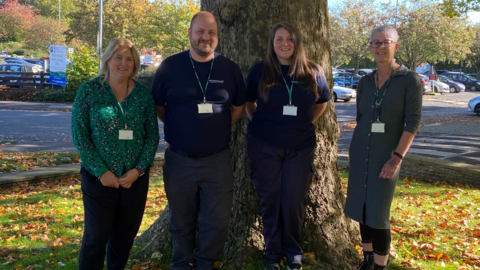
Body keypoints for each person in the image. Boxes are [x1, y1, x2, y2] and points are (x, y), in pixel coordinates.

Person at [150, 11, 246, 270]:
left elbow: (238, 108)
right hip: (179, 160)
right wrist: (181, 127)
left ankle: (205, 263)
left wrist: (215, 129)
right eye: (200, 32)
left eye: (211, 32)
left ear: (218, 36)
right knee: (180, 220)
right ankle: (181, 263)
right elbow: (159, 107)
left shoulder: (229, 69)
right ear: (190, 34)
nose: (206, 37)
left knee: (217, 221)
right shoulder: (170, 67)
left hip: (218, 161)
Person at [245, 22, 331, 270]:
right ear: (272, 44)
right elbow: (248, 102)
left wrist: (303, 123)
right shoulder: (260, 71)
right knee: (269, 199)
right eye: (279, 39)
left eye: (290, 39)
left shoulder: (313, 71)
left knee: (293, 200)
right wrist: (259, 122)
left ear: (297, 42)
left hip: (300, 147)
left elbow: (321, 103)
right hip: (264, 146)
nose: (285, 44)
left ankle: (294, 252)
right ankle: (272, 253)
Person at [72, 37, 159, 270]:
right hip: (98, 180)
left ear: (135, 63)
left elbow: (152, 137)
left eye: (129, 59)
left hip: (134, 182)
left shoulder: (142, 95)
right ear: (107, 59)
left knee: (123, 241)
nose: (123, 63)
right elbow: (80, 136)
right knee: (95, 240)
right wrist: (102, 172)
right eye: (118, 57)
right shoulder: (89, 90)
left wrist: (138, 171)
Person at [344, 25, 422, 270]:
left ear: (395, 46)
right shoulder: (365, 81)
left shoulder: (409, 79)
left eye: (385, 42)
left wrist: (397, 157)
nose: (379, 47)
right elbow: (361, 117)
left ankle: (380, 266)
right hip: (360, 153)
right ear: (370, 48)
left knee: (378, 211)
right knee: (361, 206)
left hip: (387, 155)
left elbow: (413, 121)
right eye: (375, 43)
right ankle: (367, 259)